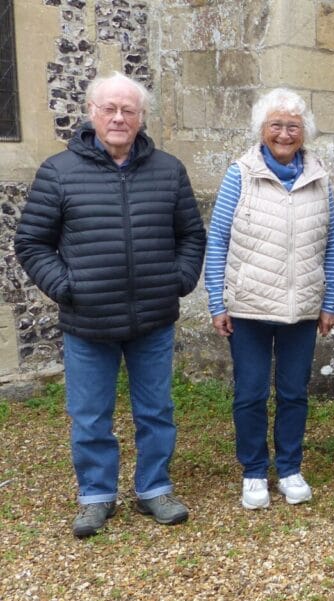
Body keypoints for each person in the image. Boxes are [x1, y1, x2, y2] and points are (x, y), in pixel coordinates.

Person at [14, 72, 206, 538]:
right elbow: (32, 242)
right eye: (110, 109)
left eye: (129, 110)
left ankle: (154, 489)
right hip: (88, 320)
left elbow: (191, 236)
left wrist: (177, 281)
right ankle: (96, 495)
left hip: (153, 319)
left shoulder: (169, 170)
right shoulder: (59, 172)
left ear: (141, 118)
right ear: (92, 113)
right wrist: (67, 286)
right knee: (90, 414)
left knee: (156, 411)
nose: (119, 117)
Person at [204, 88, 334, 510]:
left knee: (294, 392)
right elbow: (218, 239)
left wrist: (330, 299)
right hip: (248, 306)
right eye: (276, 125)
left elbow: (331, 241)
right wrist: (216, 301)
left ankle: (290, 468)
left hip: (301, 307)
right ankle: (253, 472)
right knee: (249, 392)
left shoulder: (319, 177)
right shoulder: (240, 174)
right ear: (262, 130)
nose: (284, 133)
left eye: (293, 126)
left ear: (304, 132)